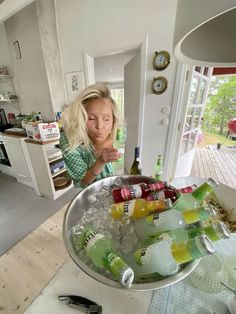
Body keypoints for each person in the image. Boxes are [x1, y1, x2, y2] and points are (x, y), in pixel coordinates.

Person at [60, 83, 124, 188]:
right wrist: (100, 161)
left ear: (114, 120)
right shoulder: (70, 141)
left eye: (106, 119)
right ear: (81, 118)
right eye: (91, 118)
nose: (99, 126)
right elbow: (84, 182)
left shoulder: (119, 131)